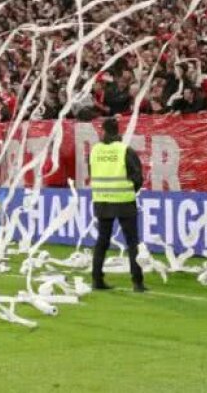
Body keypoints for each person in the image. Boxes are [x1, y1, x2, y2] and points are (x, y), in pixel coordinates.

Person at [89, 117, 146, 292]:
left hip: (102, 200)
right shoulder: (124, 150)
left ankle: (97, 279)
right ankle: (137, 282)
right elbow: (138, 176)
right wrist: (130, 189)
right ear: (117, 131)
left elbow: (92, 171)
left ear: (103, 131)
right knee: (132, 242)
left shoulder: (95, 150)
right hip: (123, 201)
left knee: (102, 241)